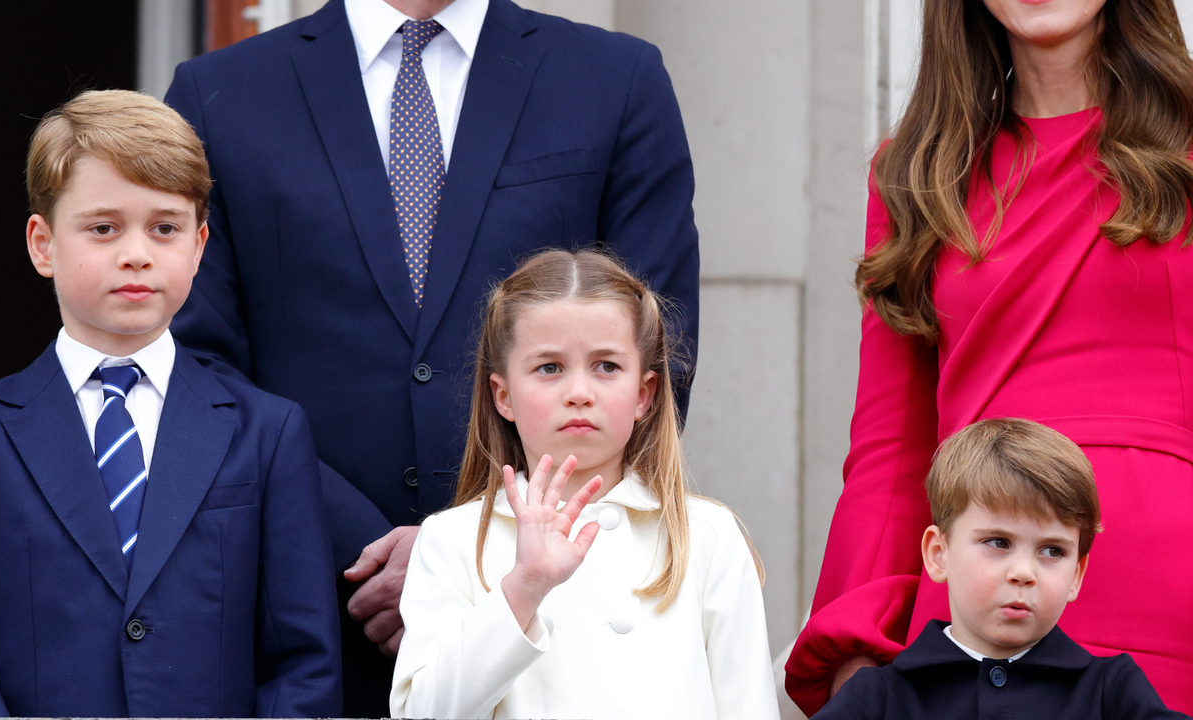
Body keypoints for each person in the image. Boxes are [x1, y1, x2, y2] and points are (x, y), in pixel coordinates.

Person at [163, 0, 699, 712]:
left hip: (554, 621)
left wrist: (470, 549)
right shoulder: (218, 95)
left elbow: (649, 344)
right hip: (302, 621)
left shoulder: (615, 80)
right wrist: (358, 548)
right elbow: (194, 369)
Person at [785, 0, 1193, 715]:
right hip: (975, 609)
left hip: (1171, 598)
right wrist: (858, 644)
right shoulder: (917, 173)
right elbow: (891, 444)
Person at [0, 90, 342, 717]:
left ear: (198, 248)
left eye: (164, 228)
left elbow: (303, 660)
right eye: (104, 227)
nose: (136, 251)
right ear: (43, 244)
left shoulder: (267, 433)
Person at [389, 249, 771, 719]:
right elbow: (422, 713)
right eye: (549, 367)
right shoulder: (451, 541)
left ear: (644, 394)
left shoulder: (708, 536)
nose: (579, 393)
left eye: (607, 366)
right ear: (503, 396)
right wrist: (523, 589)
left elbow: (749, 706)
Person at [812, 418, 1188, 719]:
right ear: (938, 553)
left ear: (1076, 574)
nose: (1024, 572)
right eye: (998, 542)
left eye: (1052, 551)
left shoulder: (1112, 691)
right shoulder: (879, 696)